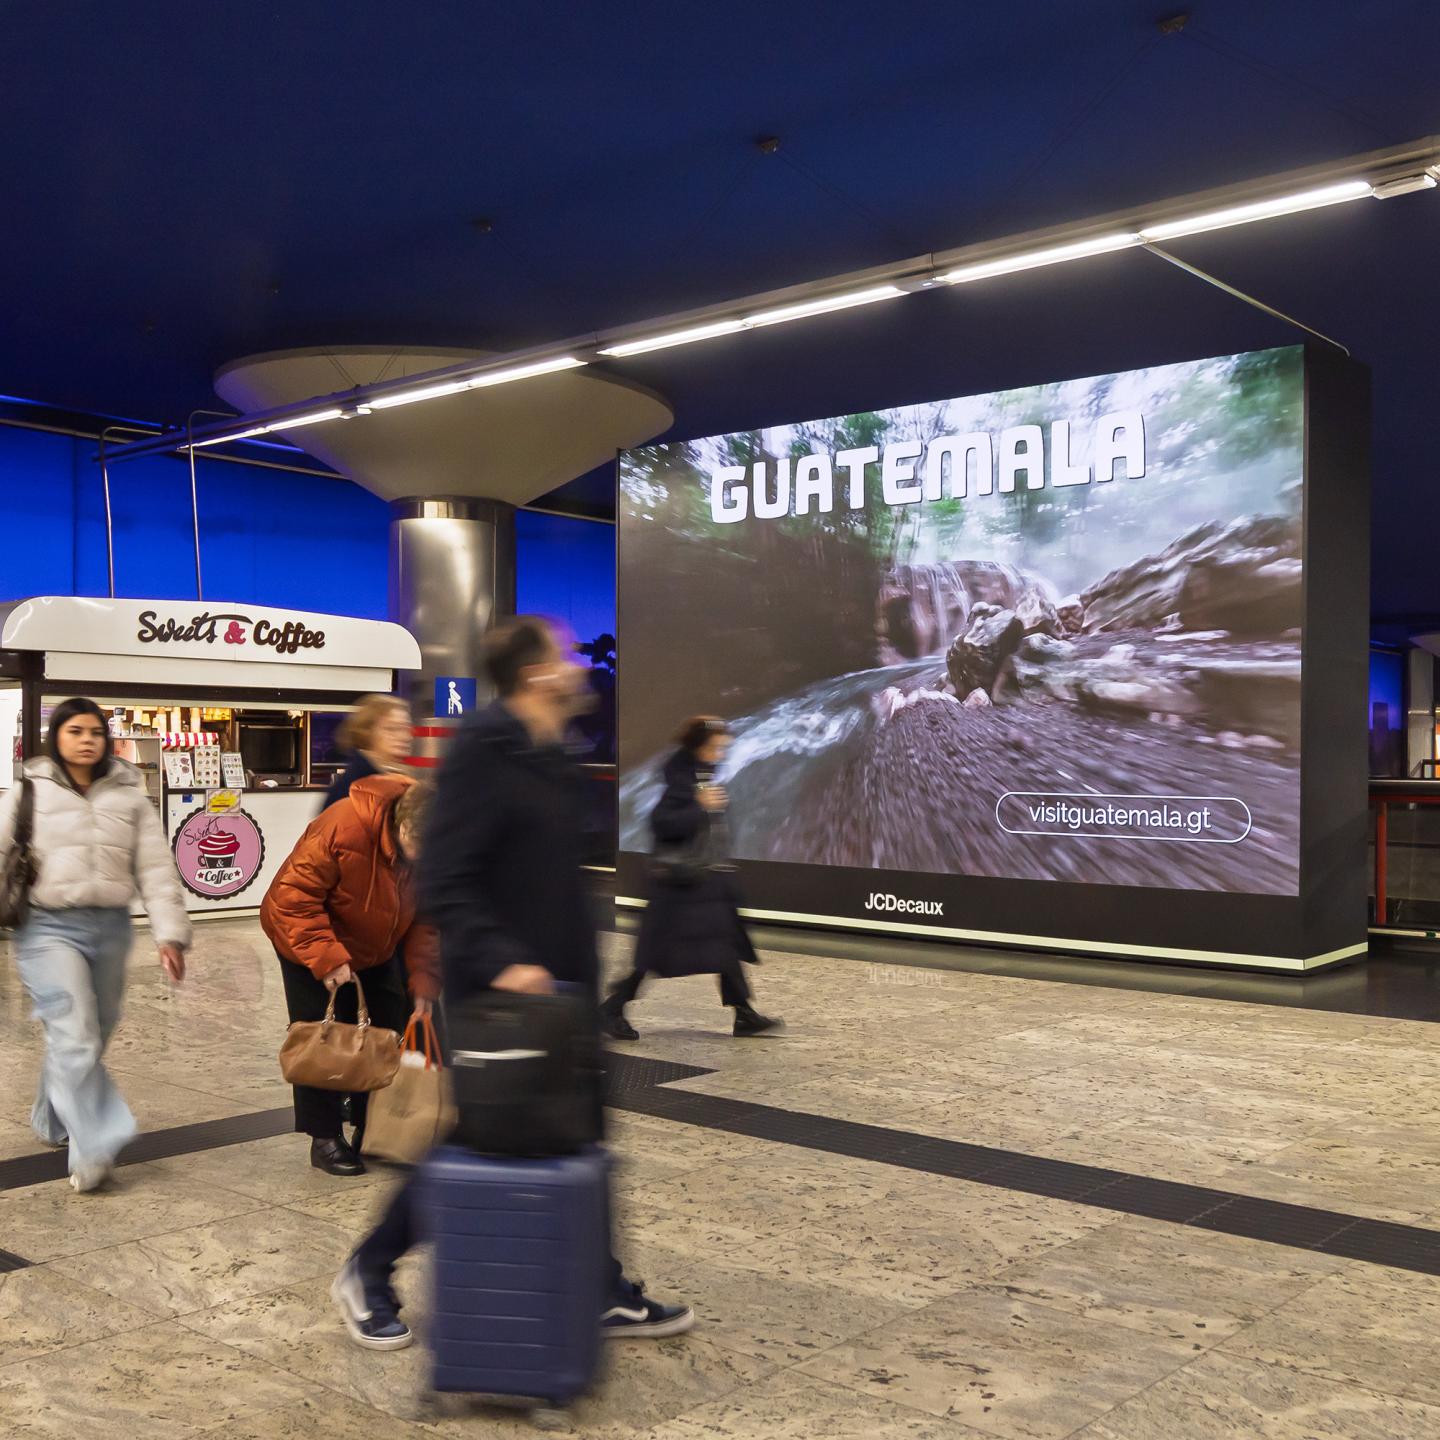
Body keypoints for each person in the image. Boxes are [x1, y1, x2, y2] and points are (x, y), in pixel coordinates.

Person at [331, 616, 693, 1349]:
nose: (574, 664)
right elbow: (445, 875)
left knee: (582, 1134)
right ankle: (368, 1269)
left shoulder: (551, 753)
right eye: (562, 654)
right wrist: (503, 961)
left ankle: (598, 1290)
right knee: (486, 1138)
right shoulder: (483, 753)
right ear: (535, 674)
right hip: (496, 995)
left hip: (561, 993)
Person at [0, 697, 192, 1193]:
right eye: (75, 731)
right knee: (76, 1035)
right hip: (45, 928)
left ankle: (50, 1115)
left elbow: (155, 866)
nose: (86, 740)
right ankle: (94, 1145)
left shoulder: (129, 794)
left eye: (95, 732)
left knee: (95, 1031)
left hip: (109, 926)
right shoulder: (27, 790)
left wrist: (169, 932)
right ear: (56, 737)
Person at [262, 775, 438, 1176]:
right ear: (404, 826)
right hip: (305, 936)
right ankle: (324, 1137)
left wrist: (424, 980)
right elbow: (293, 899)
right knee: (323, 1037)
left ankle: (371, 1127)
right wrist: (326, 957)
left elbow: (426, 922)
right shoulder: (343, 826)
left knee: (385, 1029)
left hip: (374, 944)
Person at [601, 718, 781, 1041]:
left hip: (706, 880)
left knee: (724, 944)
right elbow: (663, 825)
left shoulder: (703, 774)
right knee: (655, 954)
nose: (721, 753)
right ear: (699, 747)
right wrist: (699, 807)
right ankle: (613, 1007)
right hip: (680, 885)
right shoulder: (679, 781)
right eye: (716, 747)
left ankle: (744, 1014)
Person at [321, 694, 413, 811]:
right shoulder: (357, 787)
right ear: (367, 733)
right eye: (392, 729)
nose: (405, 737)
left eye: (406, 728)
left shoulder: (392, 777)